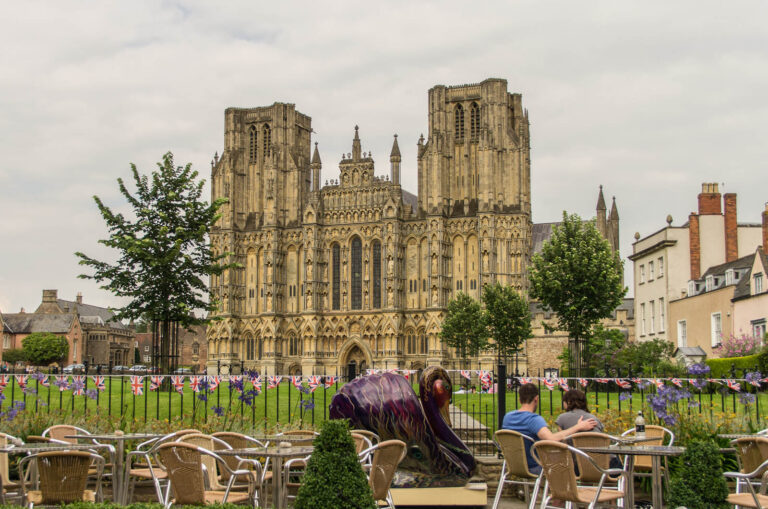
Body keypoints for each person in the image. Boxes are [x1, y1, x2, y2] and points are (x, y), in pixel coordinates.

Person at [502, 383, 597, 474]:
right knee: (566, 464)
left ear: (519, 400)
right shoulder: (533, 420)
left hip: (514, 466)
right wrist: (578, 426)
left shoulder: (508, 417)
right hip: (535, 466)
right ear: (536, 399)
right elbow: (552, 439)